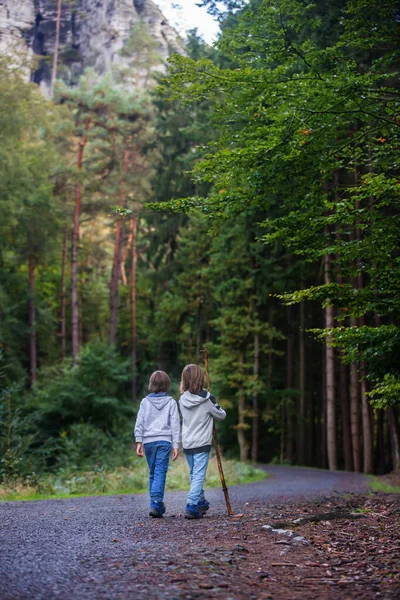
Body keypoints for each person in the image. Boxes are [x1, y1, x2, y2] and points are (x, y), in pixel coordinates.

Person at [179, 363, 226, 519]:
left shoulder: (182, 400)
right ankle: (192, 505)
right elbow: (221, 415)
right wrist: (213, 402)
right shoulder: (207, 399)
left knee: (194, 474)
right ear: (201, 378)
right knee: (198, 476)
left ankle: (200, 501)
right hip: (201, 443)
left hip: (187, 442)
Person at [134, 370, 180, 518]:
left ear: (151, 385)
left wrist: (139, 441)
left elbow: (139, 423)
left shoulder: (145, 402)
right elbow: (175, 424)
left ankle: (155, 503)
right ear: (167, 385)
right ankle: (156, 502)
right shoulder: (171, 402)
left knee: (153, 472)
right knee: (160, 471)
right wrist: (176, 445)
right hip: (165, 441)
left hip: (148, 442)